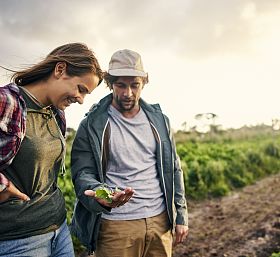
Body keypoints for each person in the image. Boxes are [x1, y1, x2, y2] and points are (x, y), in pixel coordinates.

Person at [70, 49, 188, 257]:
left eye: (135, 85)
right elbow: (83, 173)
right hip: (116, 225)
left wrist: (181, 215)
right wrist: (99, 193)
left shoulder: (160, 120)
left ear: (143, 83)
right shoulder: (91, 124)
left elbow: (174, 169)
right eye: (121, 85)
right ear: (110, 83)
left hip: (160, 220)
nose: (128, 93)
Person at [0, 42, 103, 257]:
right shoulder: (7, 101)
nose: (81, 100)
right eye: (80, 89)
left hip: (58, 230)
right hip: (17, 240)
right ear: (60, 69)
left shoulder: (56, 112)